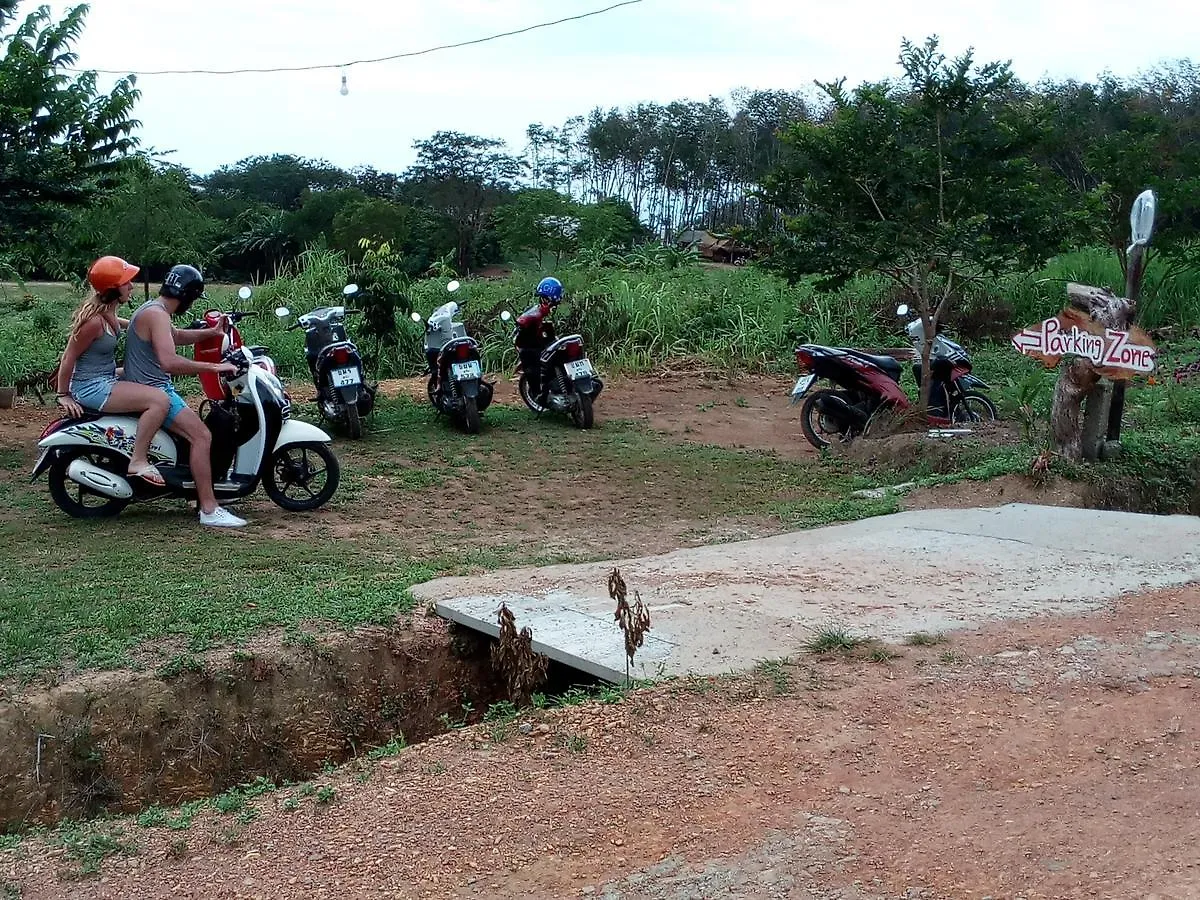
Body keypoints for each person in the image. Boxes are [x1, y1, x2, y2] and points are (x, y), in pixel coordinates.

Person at [122, 264, 246, 528]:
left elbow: (175, 337)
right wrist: (214, 367)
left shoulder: (153, 310)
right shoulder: (157, 315)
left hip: (149, 386)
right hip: (156, 390)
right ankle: (209, 509)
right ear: (187, 295)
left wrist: (212, 333)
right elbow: (168, 361)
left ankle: (195, 491)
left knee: (194, 435)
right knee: (202, 436)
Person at [55, 256, 172, 487]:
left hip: (106, 377)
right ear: (112, 288)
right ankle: (137, 460)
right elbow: (69, 356)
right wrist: (63, 394)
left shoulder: (109, 313)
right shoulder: (94, 322)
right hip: (92, 386)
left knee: (150, 378)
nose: (131, 286)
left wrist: (162, 327)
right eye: (126, 282)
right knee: (159, 400)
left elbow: (136, 324)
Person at [515, 276, 564, 402]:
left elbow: (522, 321)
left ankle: (538, 394)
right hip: (552, 342)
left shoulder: (539, 311)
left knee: (529, 359)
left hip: (541, 345)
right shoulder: (548, 311)